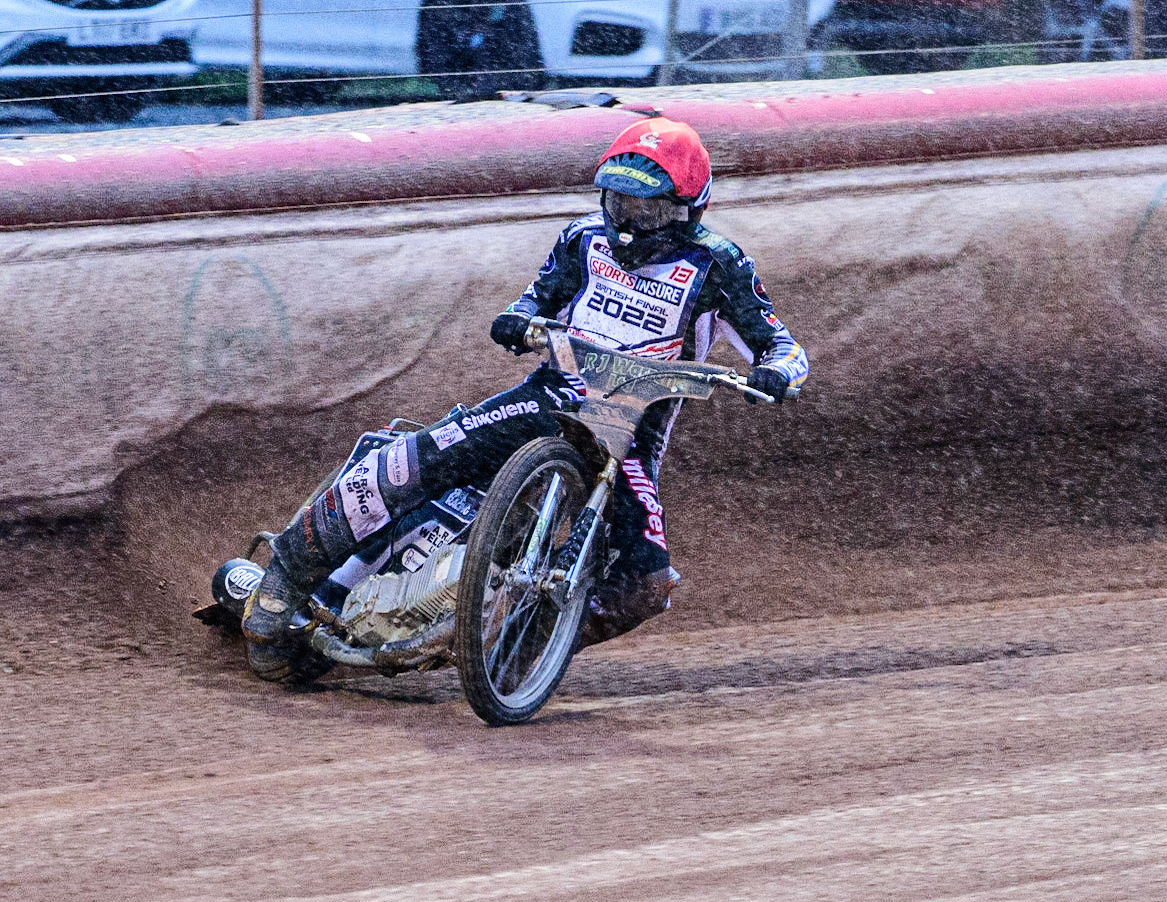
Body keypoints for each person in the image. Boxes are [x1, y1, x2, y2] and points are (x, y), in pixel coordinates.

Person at [239, 117, 809, 680]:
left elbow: (783, 347)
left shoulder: (719, 265)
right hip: (551, 395)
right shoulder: (583, 239)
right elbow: (532, 300)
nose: (629, 222)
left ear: (689, 208)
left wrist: (775, 374)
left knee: (647, 584)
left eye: (648, 209)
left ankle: (522, 645)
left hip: (632, 434)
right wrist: (517, 321)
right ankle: (286, 576)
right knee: (420, 456)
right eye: (619, 203)